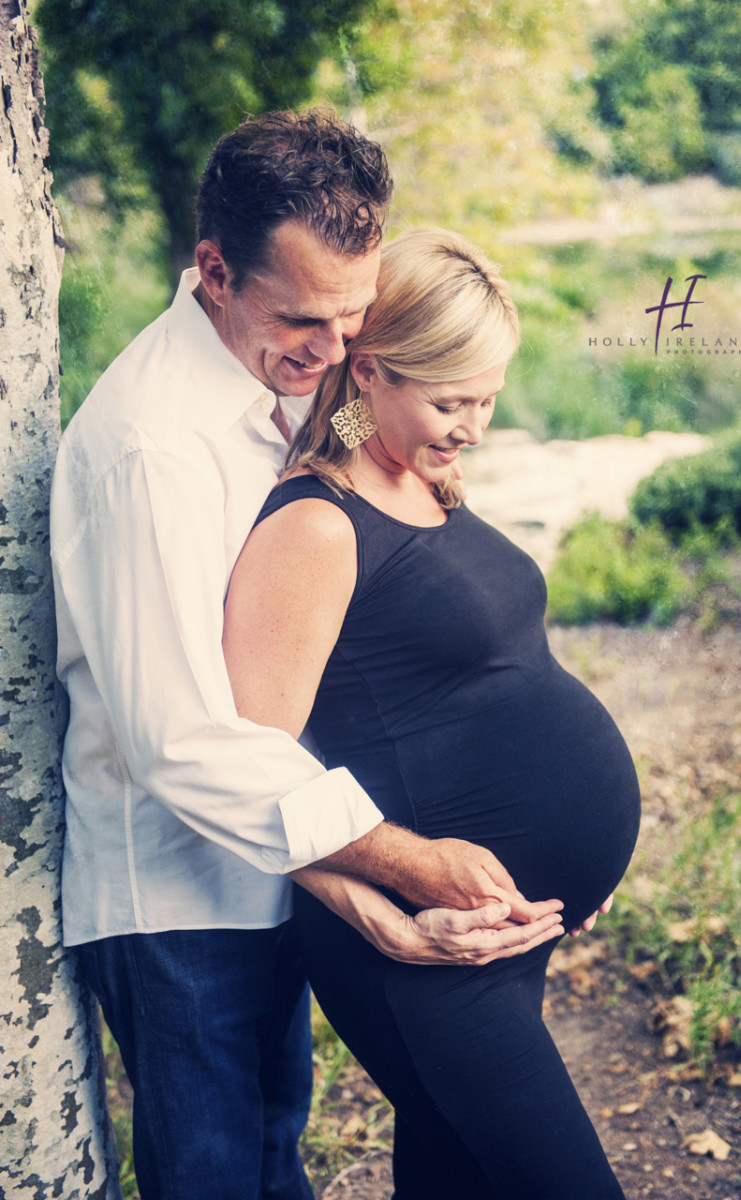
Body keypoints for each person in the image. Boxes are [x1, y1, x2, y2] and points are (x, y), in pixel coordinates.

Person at [50, 112, 565, 1200]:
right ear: (214, 271)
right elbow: (182, 742)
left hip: (271, 867)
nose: (332, 354)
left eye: (350, 317)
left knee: (275, 1147)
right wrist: (401, 864)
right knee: (218, 1177)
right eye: (303, 320)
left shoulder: (279, 376)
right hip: (176, 897)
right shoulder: (155, 446)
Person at [223, 227, 641, 1199]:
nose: (475, 426)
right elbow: (252, 759)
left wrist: (579, 852)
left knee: (453, 1177)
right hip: (431, 962)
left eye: (489, 398)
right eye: (451, 401)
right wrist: (369, 894)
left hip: (508, 928)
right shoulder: (315, 526)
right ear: (367, 372)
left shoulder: (428, 478)